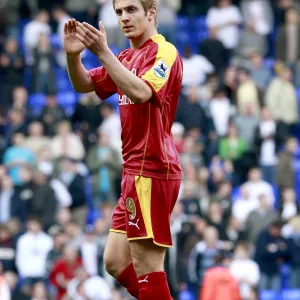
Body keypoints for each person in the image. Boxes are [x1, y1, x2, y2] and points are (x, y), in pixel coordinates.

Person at [63, 0, 183, 299]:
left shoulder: (163, 52)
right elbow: (84, 84)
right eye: (119, 12)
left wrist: (103, 52)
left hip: (154, 169)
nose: (124, 18)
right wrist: (72, 56)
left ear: (151, 13)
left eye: (131, 10)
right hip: (133, 172)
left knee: (148, 265)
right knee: (115, 262)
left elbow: (143, 92)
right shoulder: (126, 57)